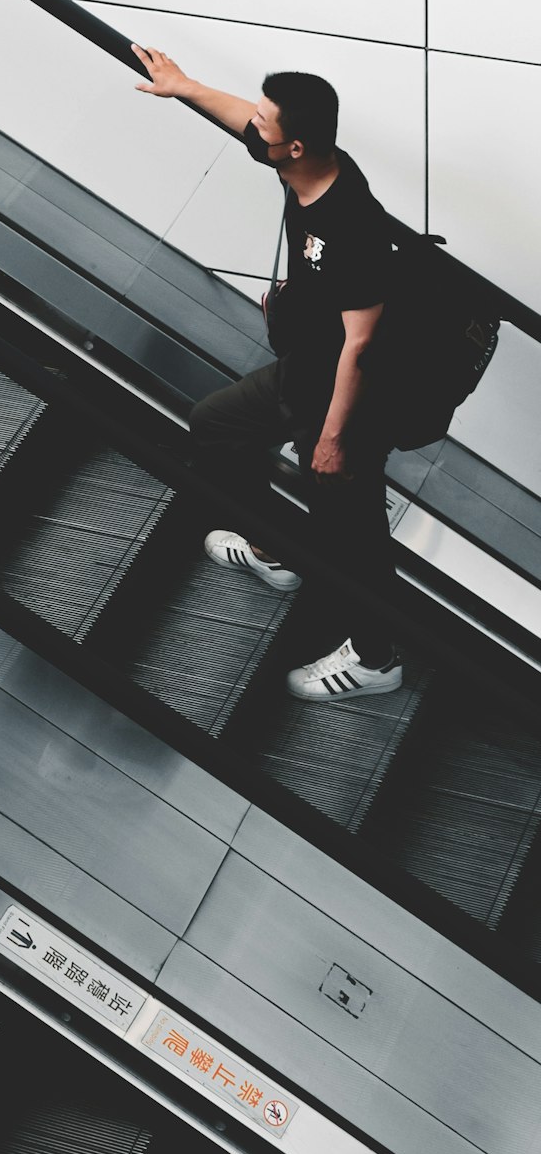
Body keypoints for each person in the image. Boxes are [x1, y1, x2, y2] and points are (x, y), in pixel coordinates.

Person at [133, 46, 402, 701]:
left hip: (345, 402)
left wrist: (334, 438)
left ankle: (376, 660)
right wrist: (184, 86)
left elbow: (362, 345)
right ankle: (279, 550)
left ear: (299, 146)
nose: (256, 128)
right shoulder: (302, 168)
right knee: (215, 425)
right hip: (299, 377)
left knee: (354, 539)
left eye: (268, 126)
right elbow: (241, 124)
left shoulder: (351, 223)